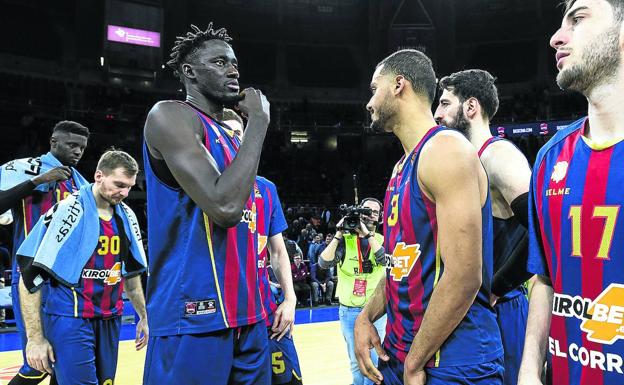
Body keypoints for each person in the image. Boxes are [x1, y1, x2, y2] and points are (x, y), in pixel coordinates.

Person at [354, 49, 503, 385]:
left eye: (373, 89)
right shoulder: (401, 167)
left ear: (398, 85)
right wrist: (366, 317)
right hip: (405, 354)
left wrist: (414, 362)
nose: (368, 102)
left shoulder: (446, 150)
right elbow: (398, 266)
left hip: (452, 361)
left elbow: (464, 276)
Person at [143, 22, 271, 385]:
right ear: (190, 73)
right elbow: (226, 209)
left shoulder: (231, 141)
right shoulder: (170, 115)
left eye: (234, 64)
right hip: (193, 315)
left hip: (249, 313)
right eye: (219, 62)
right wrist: (258, 121)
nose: (233, 70)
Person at [518, 1, 624, 384]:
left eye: (577, 19)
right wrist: (530, 368)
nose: (556, 37)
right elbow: (544, 279)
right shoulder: (549, 159)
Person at [434, 69, 533, 385]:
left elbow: (545, 231)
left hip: (502, 309)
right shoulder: (466, 163)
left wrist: (498, 287)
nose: (437, 114)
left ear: (471, 107)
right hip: (474, 310)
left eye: (445, 104)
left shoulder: (497, 155)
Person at [16, 150, 148, 385]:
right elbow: (29, 276)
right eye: (119, 184)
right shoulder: (69, 211)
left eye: (129, 186)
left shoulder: (126, 215)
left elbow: (132, 273)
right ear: (99, 176)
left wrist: (143, 317)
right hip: (71, 319)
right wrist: (35, 339)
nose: (125, 193)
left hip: (110, 317)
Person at [1, 120, 90, 385]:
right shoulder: (24, 168)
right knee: (37, 364)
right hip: (32, 277)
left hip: (68, 280)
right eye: (72, 145)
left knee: (63, 359)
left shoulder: (81, 182)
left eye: (82, 148)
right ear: (54, 142)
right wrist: (38, 181)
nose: (78, 152)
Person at [319, 198, 387, 385]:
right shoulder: (344, 241)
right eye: (367, 210)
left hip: (375, 312)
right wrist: (338, 234)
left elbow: (383, 260)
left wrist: (367, 235)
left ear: (380, 218)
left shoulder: (382, 240)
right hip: (349, 312)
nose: (371, 213)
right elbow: (323, 263)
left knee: (373, 360)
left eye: (375, 211)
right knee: (356, 361)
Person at [256, 176, 303, 385]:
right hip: (223, 323)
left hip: (267, 319)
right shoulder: (206, 182)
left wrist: (290, 299)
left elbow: (277, 251)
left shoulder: (266, 188)